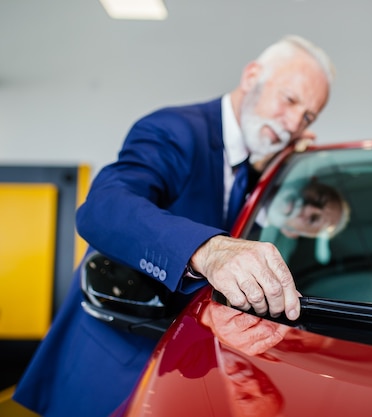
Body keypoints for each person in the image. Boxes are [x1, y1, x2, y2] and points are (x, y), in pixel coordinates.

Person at [13, 35, 335, 417]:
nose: (294, 123)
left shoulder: (257, 163)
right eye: (290, 100)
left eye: (308, 117)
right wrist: (211, 250)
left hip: (192, 373)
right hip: (113, 369)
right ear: (252, 77)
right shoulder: (175, 130)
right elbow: (103, 207)